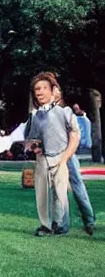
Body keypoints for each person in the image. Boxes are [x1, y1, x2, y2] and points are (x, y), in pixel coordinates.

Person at [24, 72, 79, 237]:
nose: (39, 92)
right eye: (36, 89)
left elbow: (75, 135)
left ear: (52, 90)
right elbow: (29, 139)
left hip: (60, 157)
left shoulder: (64, 111)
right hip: (42, 160)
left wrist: (65, 158)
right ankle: (45, 225)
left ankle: (61, 225)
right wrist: (34, 147)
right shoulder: (35, 115)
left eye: (43, 88)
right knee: (42, 194)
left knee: (60, 194)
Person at [53, 88, 95, 235]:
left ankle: (64, 225)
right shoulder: (60, 111)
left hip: (65, 153)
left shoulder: (62, 112)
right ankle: (88, 220)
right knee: (74, 186)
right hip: (67, 153)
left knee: (65, 188)